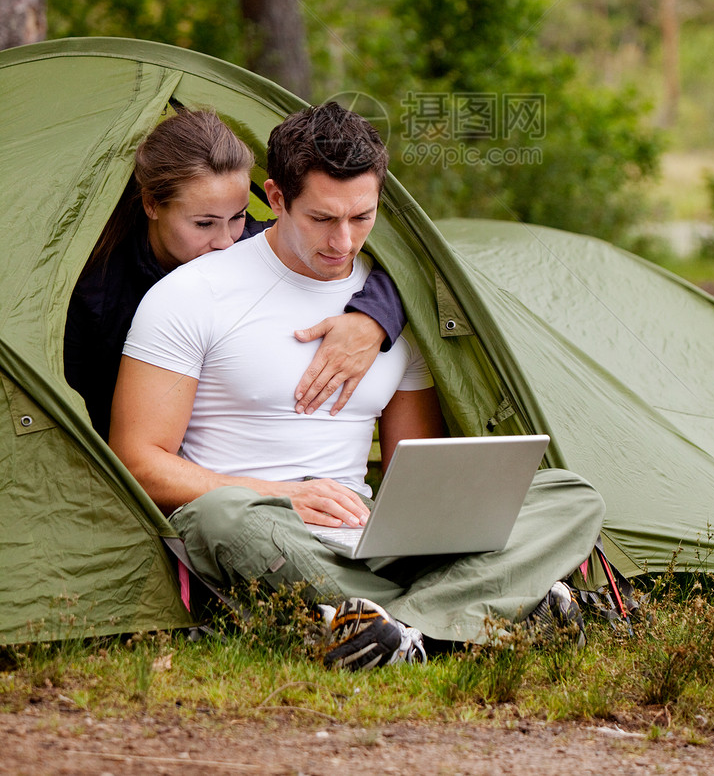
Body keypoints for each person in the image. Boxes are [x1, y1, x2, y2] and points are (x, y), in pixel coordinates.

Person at [110, 102, 605, 670]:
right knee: (220, 518)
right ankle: (480, 612)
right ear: (274, 198)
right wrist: (281, 494)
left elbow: (409, 466)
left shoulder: (395, 307)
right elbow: (138, 459)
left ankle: (393, 629)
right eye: (322, 218)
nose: (343, 242)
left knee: (570, 495)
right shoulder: (190, 294)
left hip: (366, 536)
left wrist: (425, 519)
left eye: (361, 218)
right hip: (260, 526)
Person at [64, 107, 406, 440]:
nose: (227, 242)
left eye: (238, 216)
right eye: (204, 223)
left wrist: (373, 317)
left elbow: (395, 265)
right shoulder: (96, 292)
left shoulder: (255, 243)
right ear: (151, 205)